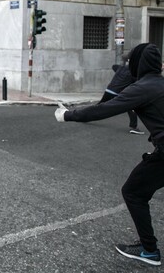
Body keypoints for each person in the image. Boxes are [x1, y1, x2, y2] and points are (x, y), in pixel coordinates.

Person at [55, 43, 164, 267]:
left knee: (133, 192)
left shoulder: (142, 87)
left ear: (137, 63)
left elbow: (103, 109)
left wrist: (67, 115)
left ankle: (149, 250)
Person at [99, 54, 144, 134]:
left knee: (98, 106)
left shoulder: (120, 68)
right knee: (132, 107)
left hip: (108, 90)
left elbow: (114, 66)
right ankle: (134, 127)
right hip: (117, 93)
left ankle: (82, 115)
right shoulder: (133, 73)